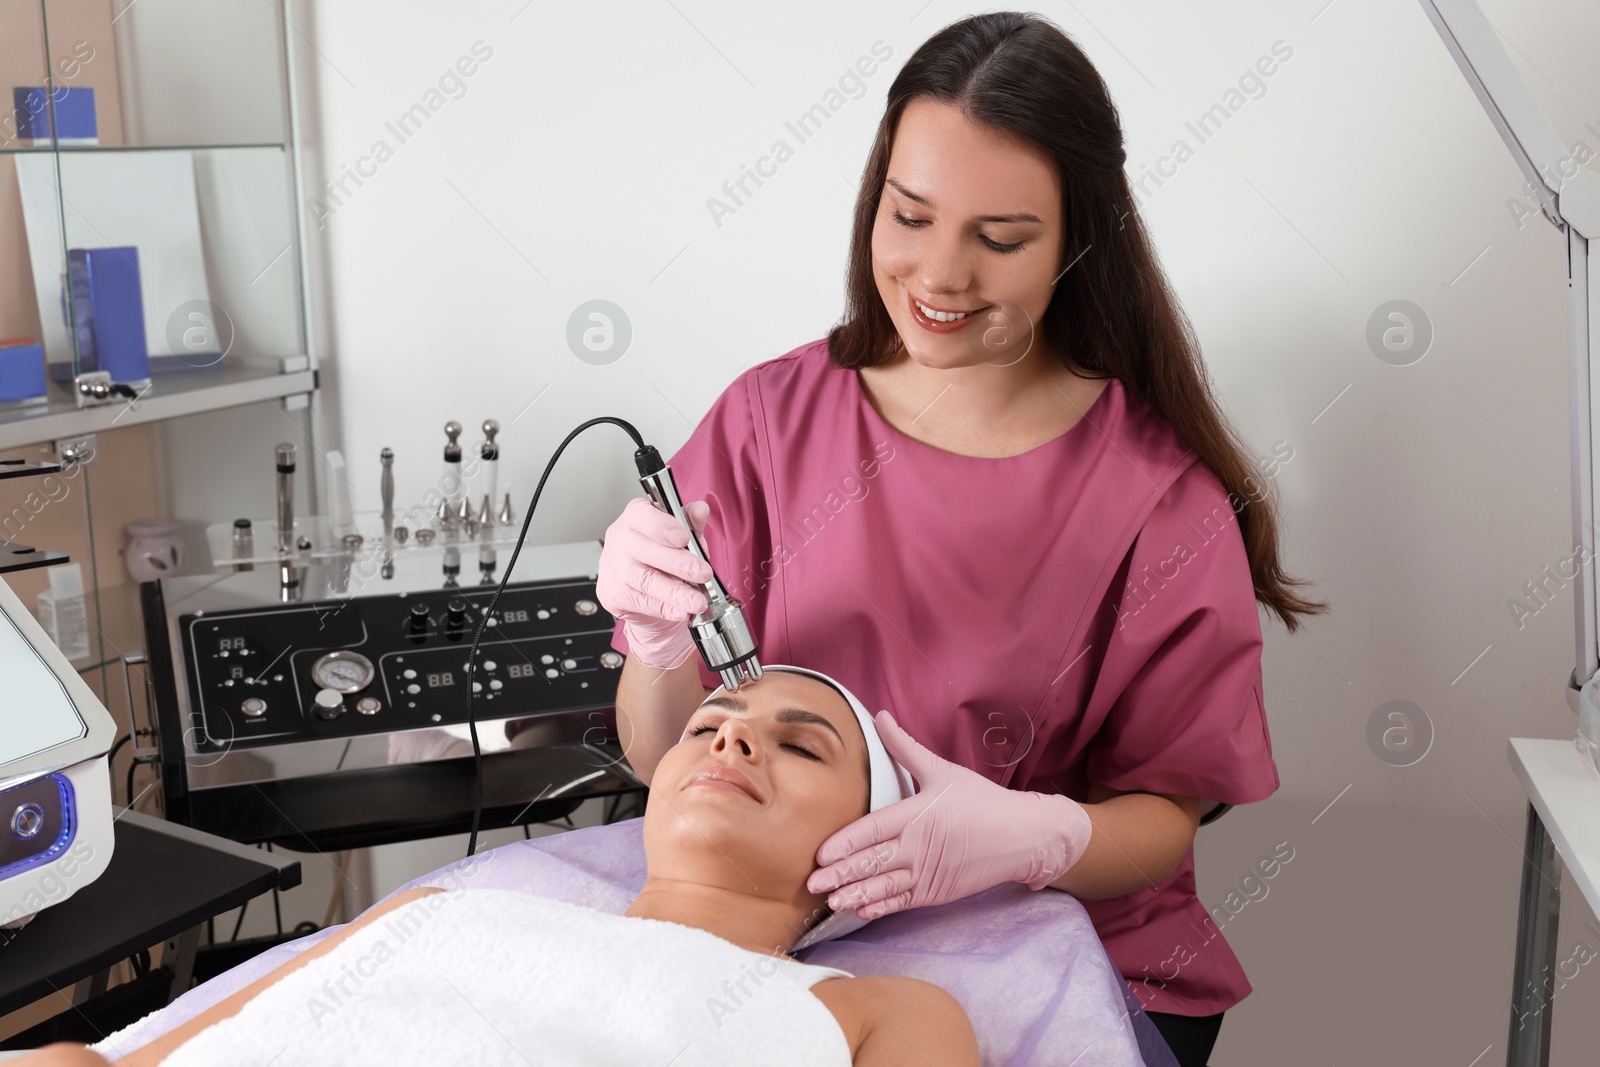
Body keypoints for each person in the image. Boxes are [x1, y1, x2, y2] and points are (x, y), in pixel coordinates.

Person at [598, 12, 1326, 1067]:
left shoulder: (1157, 498)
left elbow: (1168, 812)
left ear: (1078, 241)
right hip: (781, 936)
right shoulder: (770, 421)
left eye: (999, 238)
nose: (938, 276)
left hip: (1073, 949)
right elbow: (662, 751)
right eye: (910, 215)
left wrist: (1039, 836)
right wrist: (658, 644)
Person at [19, 668, 978, 1067]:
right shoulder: (448, 911)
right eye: (707, 725)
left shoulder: (877, 1009)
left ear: (867, 839)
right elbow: (117, 1064)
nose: (730, 742)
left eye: (800, 746)